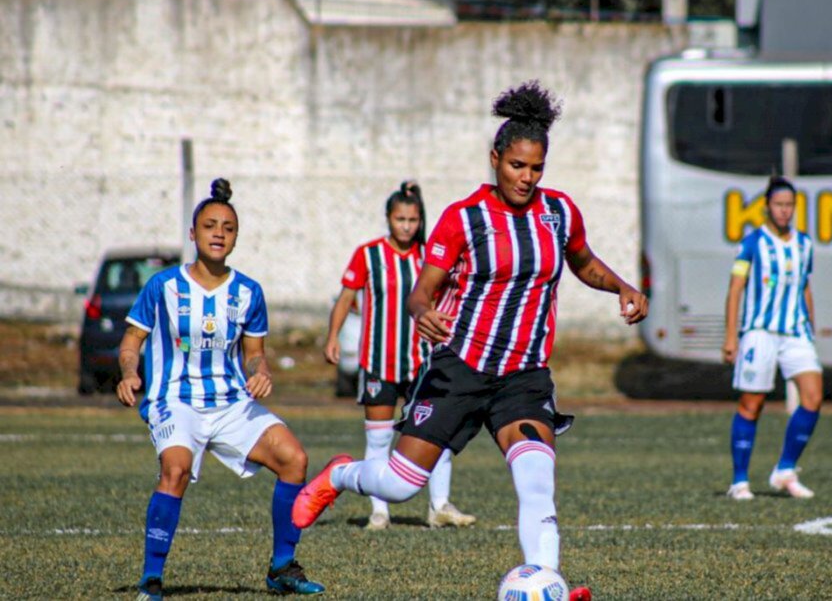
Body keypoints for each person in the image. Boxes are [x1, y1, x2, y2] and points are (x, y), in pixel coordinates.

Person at [291, 80, 647, 599]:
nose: (526, 178)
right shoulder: (464, 218)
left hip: (523, 376)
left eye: (536, 168)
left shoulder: (559, 212)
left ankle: (548, 582)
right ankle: (342, 475)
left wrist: (622, 286)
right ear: (495, 159)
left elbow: (583, 262)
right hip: (459, 367)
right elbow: (422, 293)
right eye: (516, 166)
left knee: (536, 481)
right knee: (400, 483)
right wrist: (422, 313)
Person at [116, 179, 325, 600]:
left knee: (294, 459)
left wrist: (260, 370)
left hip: (230, 402)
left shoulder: (249, 291)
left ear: (235, 237)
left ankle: (282, 567)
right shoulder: (163, 286)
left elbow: (254, 353)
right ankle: (152, 579)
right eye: (210, 226)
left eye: (228, 228)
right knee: (175, 470)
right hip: (175, 399)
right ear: (193, 234)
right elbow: (131, 342)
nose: (218, 233)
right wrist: (128, 372)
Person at [322, 180, 475, 531]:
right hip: (379, 362)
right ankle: (380, 510)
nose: (406, 226)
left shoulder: (430, 256)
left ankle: (439, 506)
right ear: (388, 218)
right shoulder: (368, 254)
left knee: (436, 434)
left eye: (412, 219)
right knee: (378, 438)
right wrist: (332, 336)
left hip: (423, 362)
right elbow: (346, 298)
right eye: (400, 219)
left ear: (420, 220)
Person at [721, 175, 823, 501]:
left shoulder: (804, 244)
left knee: (813, 397)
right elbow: (736, 289)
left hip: (795, 332)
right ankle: (740, 481)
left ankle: (785, 469)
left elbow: (805, 286)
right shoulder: (753, 243)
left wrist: (811, 325)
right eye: (779, 205)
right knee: (752, 404)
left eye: (789, 205)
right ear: (767, 207)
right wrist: (731, 337)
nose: (784, 211)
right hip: (759, 333)